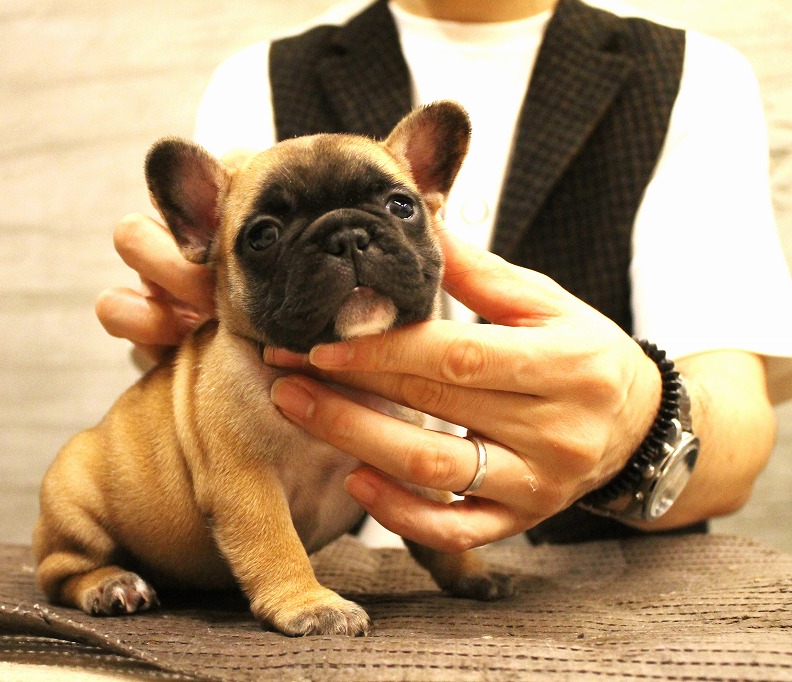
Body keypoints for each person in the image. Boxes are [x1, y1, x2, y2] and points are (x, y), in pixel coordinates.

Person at [97, 0, 792, 550]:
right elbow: (223, 390)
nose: (349, 246)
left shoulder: (690, 75)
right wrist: (183, 354)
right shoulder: (260, 76)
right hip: (340, 582)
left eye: (399, 207)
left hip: (596, 593)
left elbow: (736, 442)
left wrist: (637, 427)